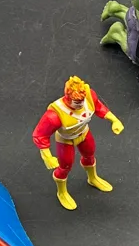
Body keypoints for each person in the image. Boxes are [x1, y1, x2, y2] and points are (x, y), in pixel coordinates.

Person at [32, 75, 125, 211]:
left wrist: (114, 120)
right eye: (77, 102)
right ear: (67, 98)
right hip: (66, 140)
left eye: (82, 101)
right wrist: (47, 156)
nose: (81, 104)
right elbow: (40, 134)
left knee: (90, 155)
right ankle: (62, 192)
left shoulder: (88, 96)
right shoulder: (55, 115)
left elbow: (99, 107)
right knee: (65, 167)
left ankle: (92, 178)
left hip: (84, 133)